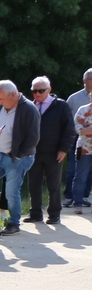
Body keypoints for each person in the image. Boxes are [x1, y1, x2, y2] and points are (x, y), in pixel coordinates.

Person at [0, 80, 39, 235]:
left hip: (17, 157)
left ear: (14, 95)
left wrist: (18, 155)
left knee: (11, 191)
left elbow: (33, 137)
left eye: (1, 99)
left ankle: (14, 223)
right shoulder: (2, 107)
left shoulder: (29, 109)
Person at [25, 76, 76, 225]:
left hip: (54, 152)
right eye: (34, 91)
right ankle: (35, 213)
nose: (37, 94)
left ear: (49, 90)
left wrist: (63, 149)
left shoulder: (61, 106)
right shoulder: (31, 106)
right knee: (33, 184)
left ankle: (54, 214)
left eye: (41, 91)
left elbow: (70, 129)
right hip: (34, 152)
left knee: (54, 185)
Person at [63, 68, 92, 206]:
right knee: (73, 169)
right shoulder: (74, 98)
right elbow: (66, 119)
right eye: (91, 79)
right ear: (84, 81)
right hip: (77, 140)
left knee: (89, 171)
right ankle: (69, 197)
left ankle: (84, 196)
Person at [71, 100, 92, 214]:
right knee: (80, 177)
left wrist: (88, 130)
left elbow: (85, 130)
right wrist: (85, 130)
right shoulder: (83, 110)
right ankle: (78, 203)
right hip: (84, 149)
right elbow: (79, 129)